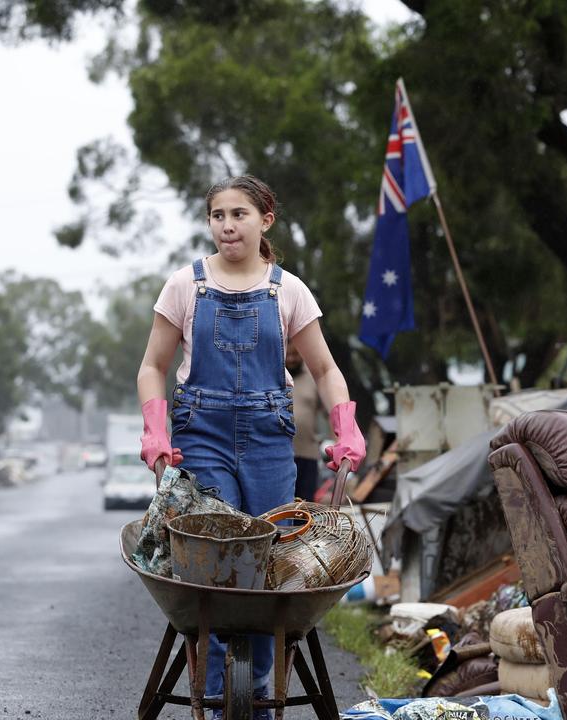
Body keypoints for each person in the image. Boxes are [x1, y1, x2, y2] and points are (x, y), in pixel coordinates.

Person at [135, 174, 366, 718]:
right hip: (202, 437)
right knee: (215, 567)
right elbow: (153, 367)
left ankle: (259, 692)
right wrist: (155, 430)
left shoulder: (287, 290)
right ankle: (218, 699)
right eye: (218, 215)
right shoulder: (183, 287)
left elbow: (327, 369)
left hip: (267, 442)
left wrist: (346, 425)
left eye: (239, 214)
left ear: (265, 220)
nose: (227, 225)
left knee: (266, 567)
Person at [285, 342, 325, 501]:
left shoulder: (314, 377)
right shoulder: (272, 376)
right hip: (279, 455)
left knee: (305, 509)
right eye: (287, 355)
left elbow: (330, 413)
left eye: (295, 354)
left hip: (307, 456)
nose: (291, 358)